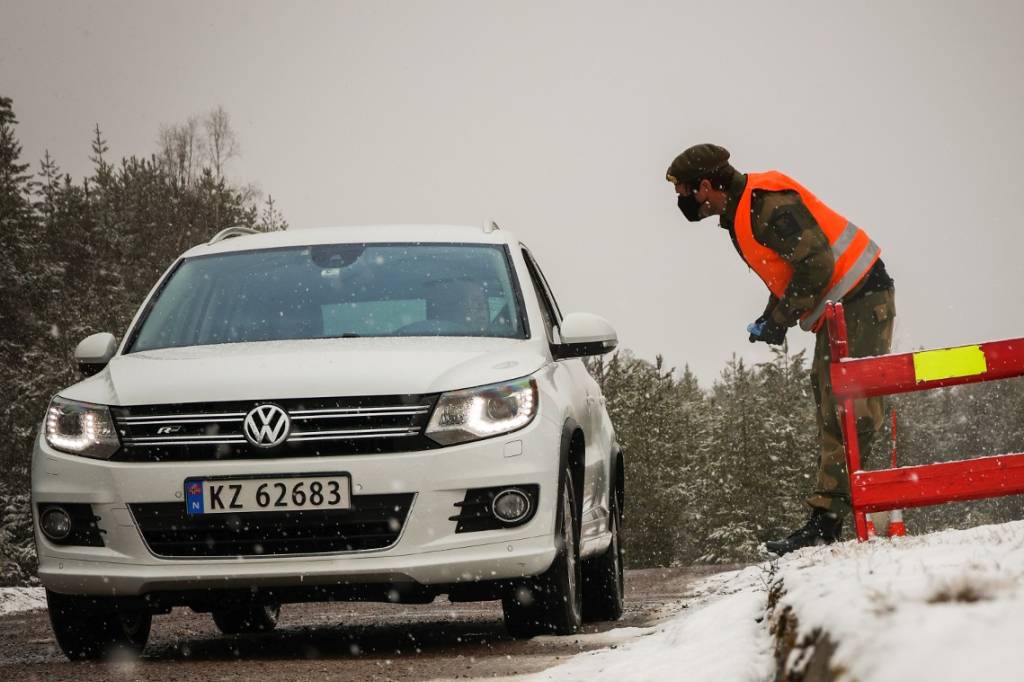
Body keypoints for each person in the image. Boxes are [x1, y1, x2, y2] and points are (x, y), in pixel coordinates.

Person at [666, 143, 896, 555]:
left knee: (851, 408)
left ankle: (835, 518)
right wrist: (774, 314)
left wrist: (782, 317)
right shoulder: (743, 210)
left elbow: (818, 265)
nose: (683, 202)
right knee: (831, 403)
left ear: (706, 185)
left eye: (685, 192)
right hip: (842, 308)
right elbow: (793, 271)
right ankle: (830, 518)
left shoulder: (765, 206)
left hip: (862, 299)